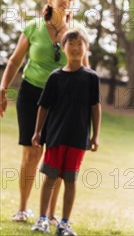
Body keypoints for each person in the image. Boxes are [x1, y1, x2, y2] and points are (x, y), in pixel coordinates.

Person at [0, 0, 88, 224]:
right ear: (50, 1)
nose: (66, 1)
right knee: (32, 153)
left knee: (56, 155)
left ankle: (48, 214)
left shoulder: (75, 32)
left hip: (63, 100)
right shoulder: (33, 27)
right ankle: (22, 208)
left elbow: (85, 69)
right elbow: (15, 60)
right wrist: (3, 88)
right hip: (31, 94)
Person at [31, 29, 101, 236]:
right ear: (63, 48)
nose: (76, 48)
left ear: (86, 49)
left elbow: (95, 107)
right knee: (50, 179)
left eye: (80, 44)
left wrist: (95, 135)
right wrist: (37, 132)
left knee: (70, 181)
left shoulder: (91, 78)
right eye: (71, 44)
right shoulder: (55, 77)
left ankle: (63, 223)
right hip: (55, 137)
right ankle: (43, 219)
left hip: (78, 139)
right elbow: (43, 106)